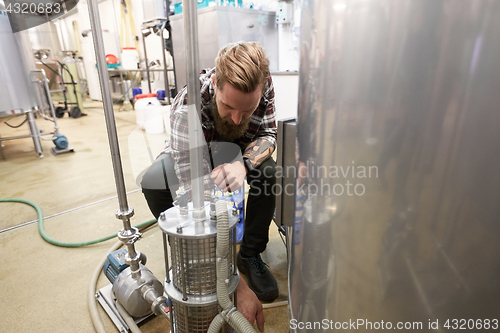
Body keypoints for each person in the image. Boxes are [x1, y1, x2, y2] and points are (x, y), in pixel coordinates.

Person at [141, 42, 278, 330]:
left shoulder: (263, 85)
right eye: (228, 106)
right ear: (215, 83)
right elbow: (199, 198)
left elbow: (267, 132)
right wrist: (235, 287)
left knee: (267, 171)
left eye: (247, 109)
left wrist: (242, 164)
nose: (238, 118)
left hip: (238, 150)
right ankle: (187, 251)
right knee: (155, 179)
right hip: (194, 149)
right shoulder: (187, 104)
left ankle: (250, 254)